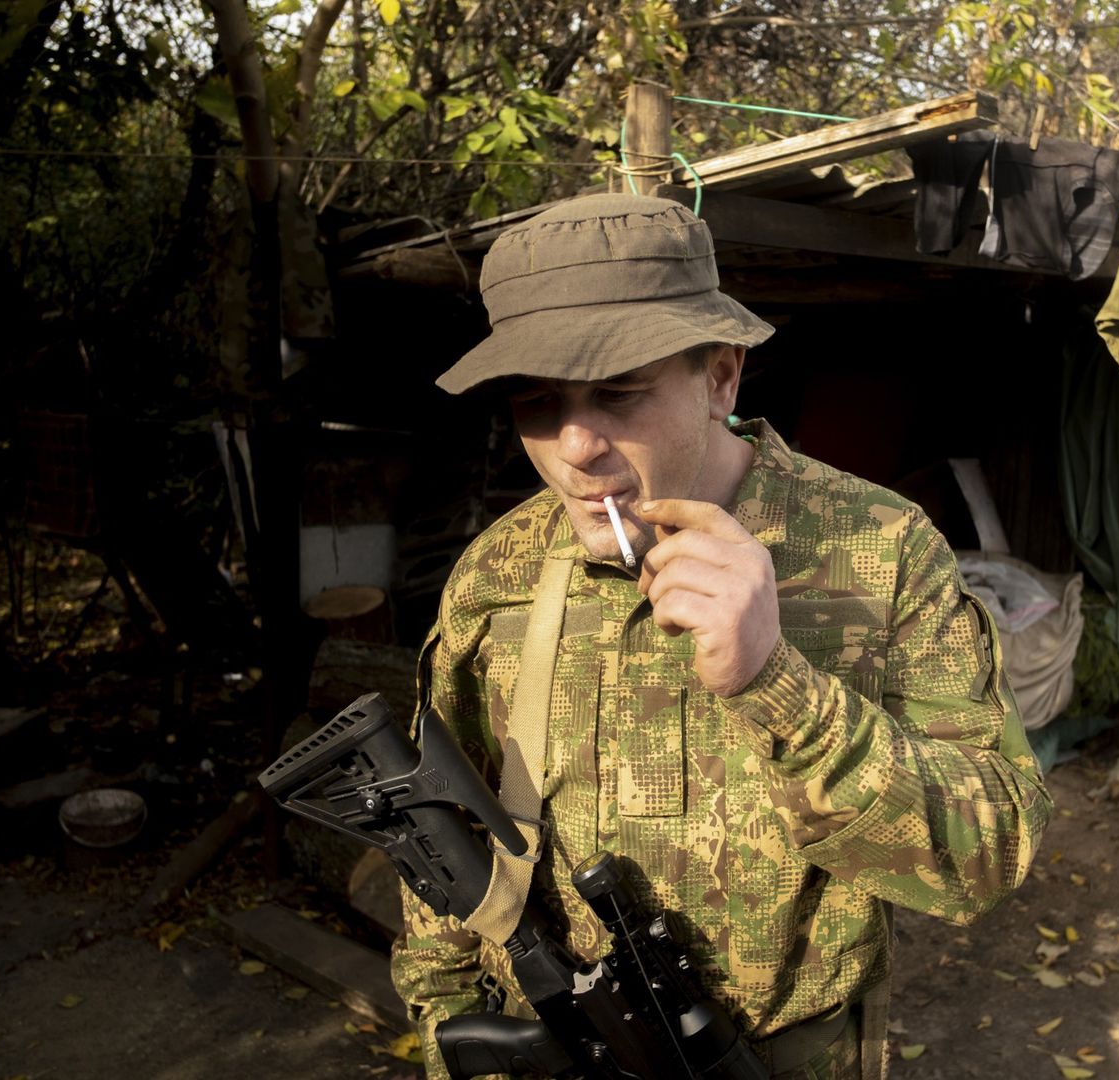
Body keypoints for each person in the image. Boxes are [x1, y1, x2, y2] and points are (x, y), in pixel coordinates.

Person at [392, 193, 1051, 1080]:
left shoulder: (881, 550)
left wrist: (778, 686)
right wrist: (447, 1033)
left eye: (619, 393)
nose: (575, 446)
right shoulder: (496, 573)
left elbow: (993, 852)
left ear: (722, 378)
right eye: (539, 403)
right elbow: (439, 833)